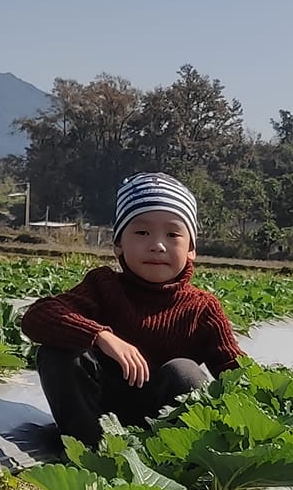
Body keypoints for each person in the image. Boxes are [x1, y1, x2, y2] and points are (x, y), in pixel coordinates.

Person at [21, 172, 245, 444]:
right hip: (99, 415)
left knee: (183, 372)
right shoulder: (103, 286)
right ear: (118, 245)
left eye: (173, 234)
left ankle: (175, 456)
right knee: (58, 353)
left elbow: (236, 372)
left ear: (191, 249)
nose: (157, 245)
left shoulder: (202, 308)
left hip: (164, 427)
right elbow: (36, 317)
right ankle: (92, 452)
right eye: (141, 232)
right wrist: (101, 336)